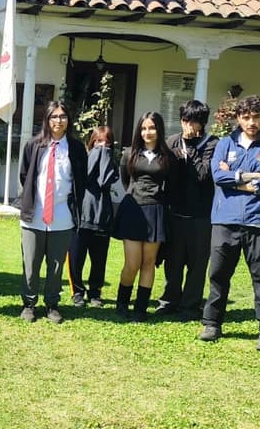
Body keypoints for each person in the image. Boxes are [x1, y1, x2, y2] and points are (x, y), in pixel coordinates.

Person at [199, 95, 260, 353]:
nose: (251, 122)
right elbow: (218, 175)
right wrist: (249, 179)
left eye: (256, 117)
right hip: (225, 220)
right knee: (218, 275)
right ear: (238, 118)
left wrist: (236, 178)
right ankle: (211, 323)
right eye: (246, 117)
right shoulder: (225, 144)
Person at [17, 101, 87, 323]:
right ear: (47, 120)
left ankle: (52, 304)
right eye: (54, 116)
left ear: (69, 120)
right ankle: (29, 304)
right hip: (34, 214)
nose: (59, 121)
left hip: (62, 215)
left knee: (56, 265)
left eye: (63, 116)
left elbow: (80, 180)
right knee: (31, 263)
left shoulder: (75, 148)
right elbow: (24, 175)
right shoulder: (34, 145)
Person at [156, 100, 218, 321]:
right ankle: (169, 301)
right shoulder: (171, 142)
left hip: (200, 215)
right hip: (174, 212)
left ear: (202, 123)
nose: (188, 126)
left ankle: (190, 305)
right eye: (185, 120)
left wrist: (189, 151)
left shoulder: (212, 144)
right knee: (173, 261)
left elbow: (203, 175)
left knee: (196, 263)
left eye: (193, 122)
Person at [112, 111, 173, 321]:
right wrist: (136, 194)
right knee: (132, 263)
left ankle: (141, 307)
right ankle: (122, 303)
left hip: (156, 210)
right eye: (144, 128)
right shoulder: (129, 153)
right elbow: (125, 181)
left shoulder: (167, 155)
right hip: (133, 210)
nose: (148, 132)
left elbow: (171, 184)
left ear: (159, 130)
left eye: (152, 128)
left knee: (149, 262)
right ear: (139, 130)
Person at [68, 125, 119, 309]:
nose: (102, 146)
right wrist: (96, 154)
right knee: (76, 257)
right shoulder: (83, 160)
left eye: (106, 142)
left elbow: (104, 180)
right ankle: (78, 292)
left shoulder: (112, 164)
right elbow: (85, 176)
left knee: (99, 260)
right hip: (82, 216)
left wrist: (104, 156)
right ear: (91, 143)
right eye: (98, 141)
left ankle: (95, 292)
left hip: (101, 218)